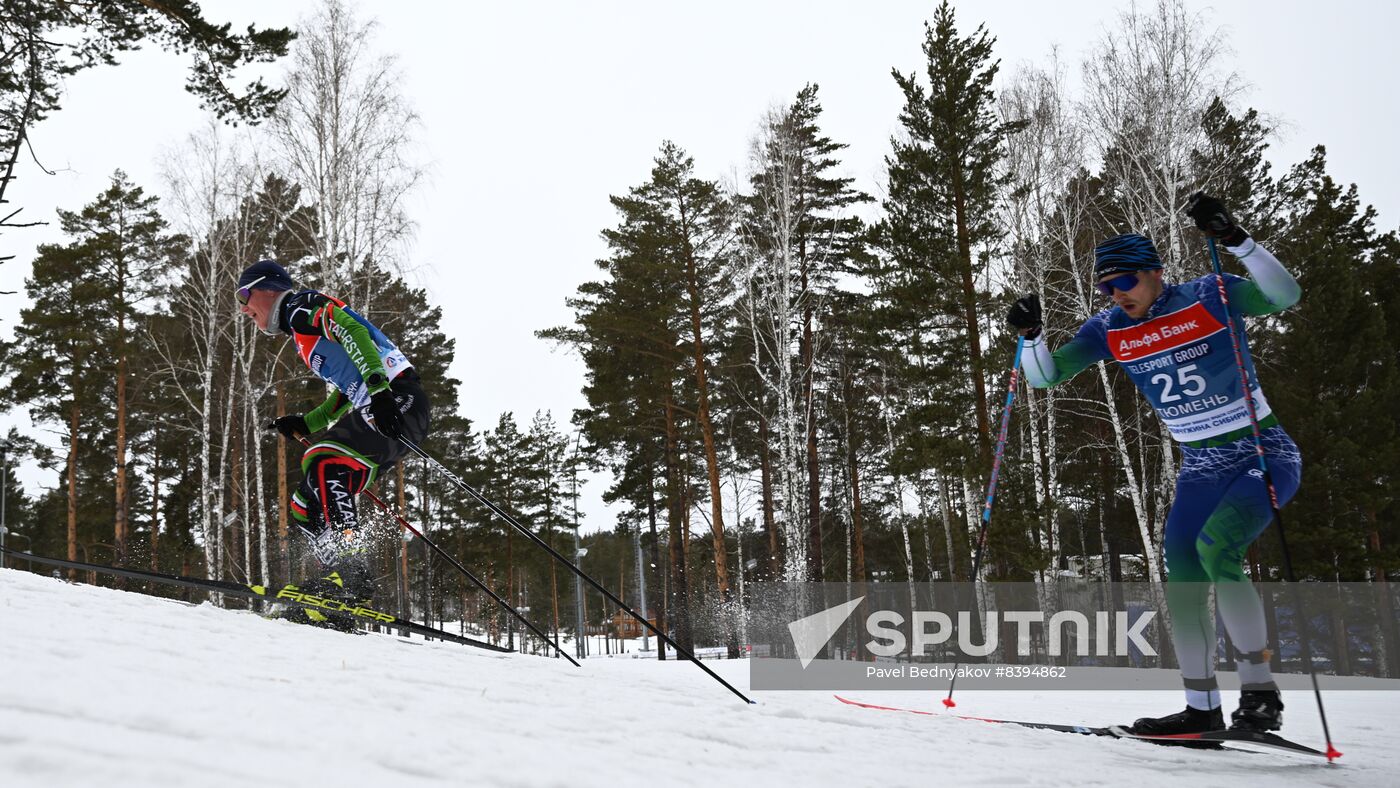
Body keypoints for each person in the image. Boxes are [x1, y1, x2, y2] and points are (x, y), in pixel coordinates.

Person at [1006, 193, 1302, 734]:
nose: (1117, 295)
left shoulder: (1210, 294)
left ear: (1155, 274)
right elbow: (1045, 377)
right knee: (1183, 573)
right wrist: (1032, 339)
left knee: (1219, 548)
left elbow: (1284, 296)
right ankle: (1201, 708)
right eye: (1106, 286)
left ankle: (1261, 696)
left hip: (1261, 452)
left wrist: (1238, 241)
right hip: (1201, 464)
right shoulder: (1108, 329)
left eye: (1126, 282)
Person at [235, 260, 431, 627]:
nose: (243, 307)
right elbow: (347, 387)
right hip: (385, 400)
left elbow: (353, 332)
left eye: (244, 295)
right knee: (305, 502)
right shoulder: (298, 332)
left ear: (267, 289)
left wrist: (379, 389)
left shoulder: (297, 307)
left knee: (326, 461)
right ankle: (336, 584)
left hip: (398, 399)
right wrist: (308, 421)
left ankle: (351, 570)